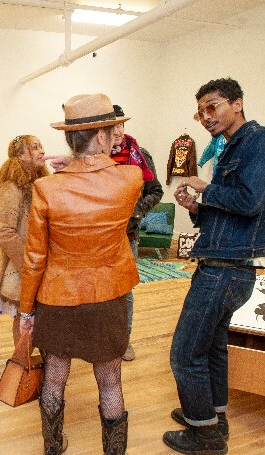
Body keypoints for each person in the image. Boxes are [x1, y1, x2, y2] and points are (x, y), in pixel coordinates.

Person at [18, 94, 142, 455]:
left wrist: (25, 311)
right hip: (108, 296)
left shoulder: (47, 190)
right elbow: (112, 169)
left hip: (58, 297)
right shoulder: (131, 180)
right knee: (110, 382)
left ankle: (53, 450)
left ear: (70, 140)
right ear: (104, 137)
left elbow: (34, 258)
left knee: (54, 376)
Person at [164, 78, 265, 455]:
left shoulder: (260, 140)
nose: (206, 117)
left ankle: (206, 437)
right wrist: (199, 208)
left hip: (227, 268)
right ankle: (212, 418)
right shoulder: (232, 146)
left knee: (185, 355)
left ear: (238, 103)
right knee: (213, 348)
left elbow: (249, 201)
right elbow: (233, 209)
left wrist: (204, 187)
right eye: (201, 111)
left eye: (213, 106)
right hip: (221, 261)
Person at [110, 104, 164, 361]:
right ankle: (100, 339)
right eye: (112, 126)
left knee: (124, 291)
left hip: (128, 236)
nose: (117, 130)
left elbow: (156, 191)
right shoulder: (94, 159)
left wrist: (137, 211)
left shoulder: (140, 155)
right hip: (99, 237)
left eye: (120, 124)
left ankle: (123, 341)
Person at [0, 135, 49, 346]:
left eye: (41, 146)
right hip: (24, 267)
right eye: (35, 148)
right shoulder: (11, 187)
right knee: (23, 316)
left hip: (40, 263)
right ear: (20, 155)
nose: (42, 151)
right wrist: (28, 265)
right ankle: (23, 365)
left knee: (39, 316)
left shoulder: (40, 183)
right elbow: (3, 232)